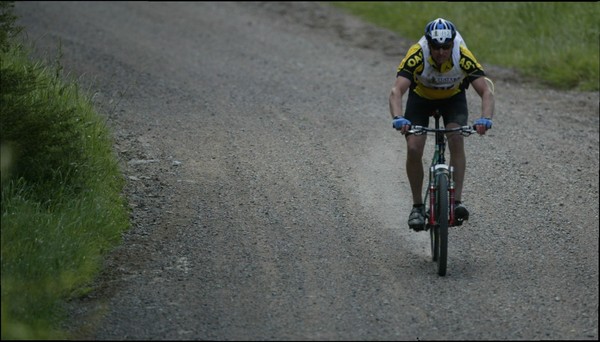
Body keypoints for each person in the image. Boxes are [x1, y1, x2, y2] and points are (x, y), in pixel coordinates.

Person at [388, 17, 495, 231]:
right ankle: (418, 206)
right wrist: (398, 118)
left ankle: (456, 203)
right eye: (436, 47)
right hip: (421, 98)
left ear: (452, 44)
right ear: (429, 44)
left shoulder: (462, 55)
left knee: (456, 137)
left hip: (452, 98)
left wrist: (485, 119)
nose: (441, 52)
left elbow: (486, 91)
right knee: (413, 147)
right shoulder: (417, 54)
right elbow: (396, 91)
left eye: (446, 47)